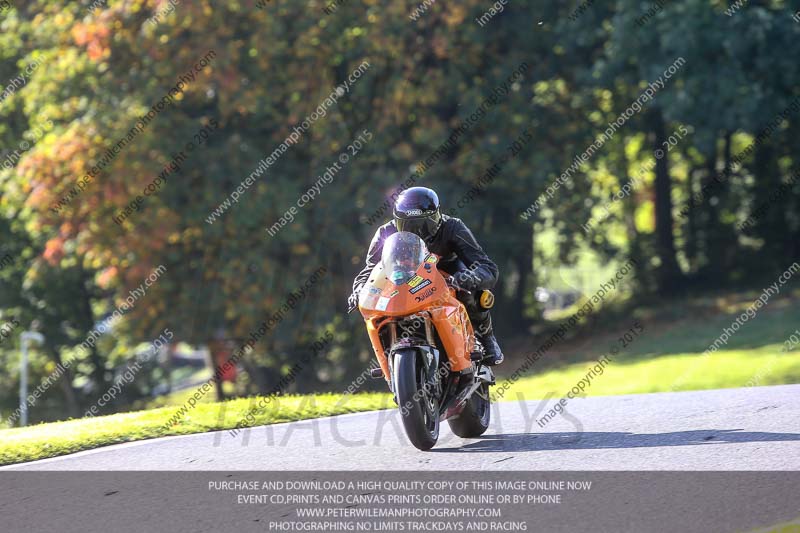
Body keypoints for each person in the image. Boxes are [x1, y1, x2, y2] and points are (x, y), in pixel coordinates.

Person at [348, 186, 504, 366]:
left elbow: (486, 266)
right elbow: (370, 270)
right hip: (403, 276)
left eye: (424, 224)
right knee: (379, 305)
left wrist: (468, 278)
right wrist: (359, 289)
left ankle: (486, 338)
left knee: (470, 293)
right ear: (397, 221)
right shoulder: (385, 233)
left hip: (447, 271)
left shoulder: (452, 227)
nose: (418, 232)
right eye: (408, 225)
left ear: (437, 217)